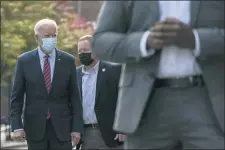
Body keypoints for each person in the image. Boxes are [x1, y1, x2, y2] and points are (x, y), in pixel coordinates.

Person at [92, 1, 224, 149]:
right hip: (145, 105)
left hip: (211, 102)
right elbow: (99, 42)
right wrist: (145, 41)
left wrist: (196, 39)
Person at [10, 18, 83, 150]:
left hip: (62, 129)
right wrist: (16, 126)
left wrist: (76, 128)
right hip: (35, 129)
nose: (51, 39)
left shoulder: (68, 60)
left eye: (54, 35)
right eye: (47, 36)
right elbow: (17, 98)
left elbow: (75, 98)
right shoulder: (24, 61)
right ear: (37, 38)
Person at [76, 35, 126, 149]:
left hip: (112, 135)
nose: (82, 53)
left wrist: (124, 129)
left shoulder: (113, 70)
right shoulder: (75, 75)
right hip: (86, 135)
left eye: (86, 50)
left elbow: (123, 100)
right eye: (80, 51)